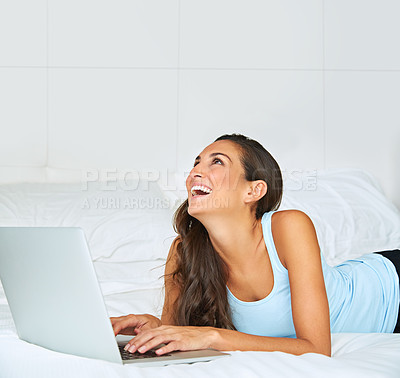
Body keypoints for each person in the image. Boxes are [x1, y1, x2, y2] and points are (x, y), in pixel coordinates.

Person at [110, 134, 400, 357]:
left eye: (217, 162)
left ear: (253, 190)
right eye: (196, 162)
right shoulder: (184, 251)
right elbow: (179, 334)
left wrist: (214, 337)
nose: (196, 172)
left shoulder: (288, 227)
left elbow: (316, 348)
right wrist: (153, 327)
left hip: (392, 286)